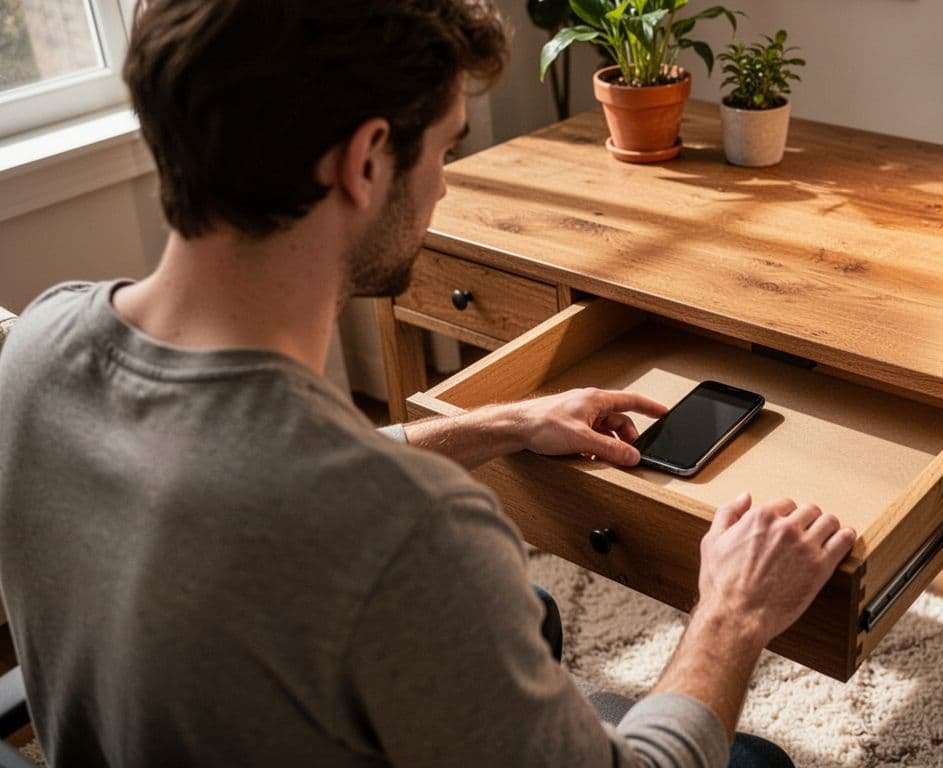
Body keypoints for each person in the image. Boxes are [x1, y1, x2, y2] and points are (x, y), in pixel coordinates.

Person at [0, 1, 857, 766]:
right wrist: (731, 617)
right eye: (447, 146)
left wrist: (501, 424)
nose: (445, 181)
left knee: (531, 618)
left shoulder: (37, 347)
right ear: (367, 160)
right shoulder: (414, 536)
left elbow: (243, 476)